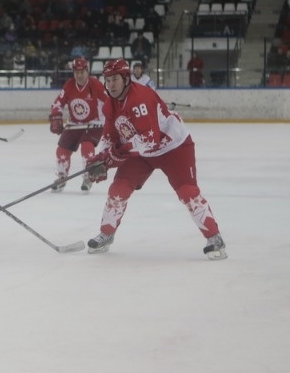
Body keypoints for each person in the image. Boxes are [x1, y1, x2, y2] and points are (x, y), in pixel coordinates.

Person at [84, 59, 226, 259]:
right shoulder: (110, 105)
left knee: (188, 192)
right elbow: (109, 136)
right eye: (107, 80)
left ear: (126, 79)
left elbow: (149, 140)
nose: (111, 85)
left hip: (174, 147)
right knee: (118, 189)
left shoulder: (140, 97)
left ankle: (215, 239)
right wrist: (101, 158)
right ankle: (106, 235)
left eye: (115, 79)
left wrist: (114, 156)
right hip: (140, 154)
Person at [48, 56, 108, 192]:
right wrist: (56, 115)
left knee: (87, 147)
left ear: (87, 71)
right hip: (74, 124)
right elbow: (58, 102)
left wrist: (112, 117)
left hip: (94, 124)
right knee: (61, 150)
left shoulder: (95, 84)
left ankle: (88, 175)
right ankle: (62, 176)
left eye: (82, 72)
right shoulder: (69, 85)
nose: (79, 75)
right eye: (76, 72)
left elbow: (109, 101)